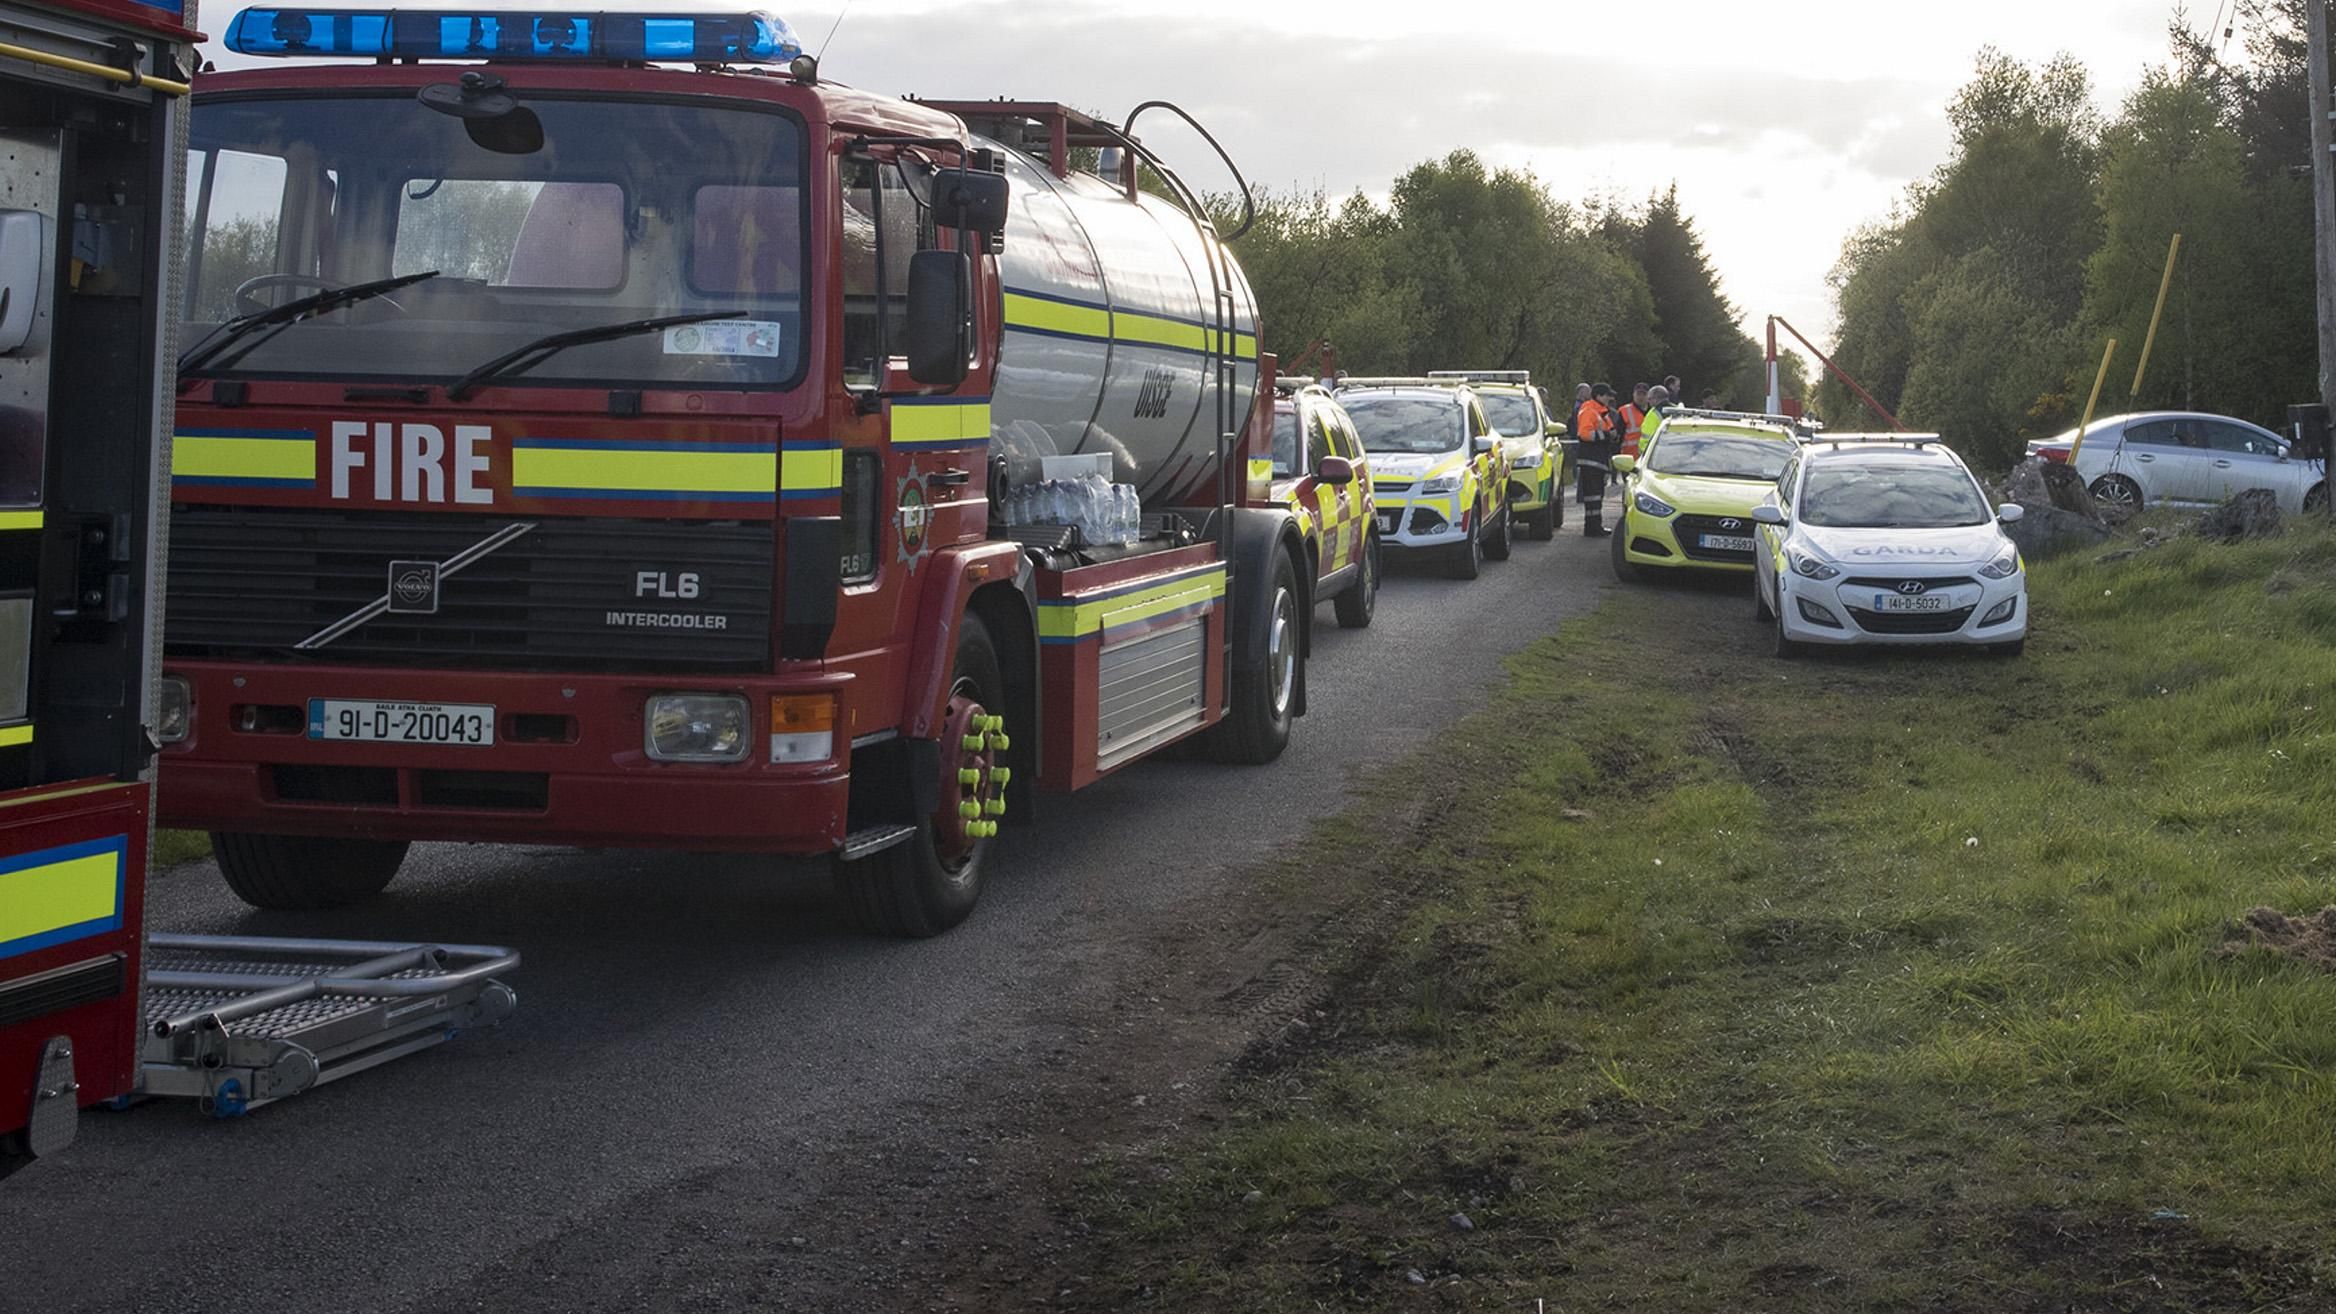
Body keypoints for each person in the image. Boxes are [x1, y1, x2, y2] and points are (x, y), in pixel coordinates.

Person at [1575, 383, 1621, 538]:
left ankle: (1594, 526)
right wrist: (1607, 436)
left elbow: (1611, 430)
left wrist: (1613, 435)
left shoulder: (1601, 412)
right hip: (1591, 460)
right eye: (1607, 395)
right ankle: (1592, 528)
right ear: (1599, 396)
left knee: (1596, 496)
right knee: (1593, 496)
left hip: (1598, 460)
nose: (1610, 398)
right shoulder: (1589, 410)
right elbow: (1584, 434)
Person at [1621, 383, 1651, 459]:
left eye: (1644, 394)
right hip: (1629, 458)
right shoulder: (1624, 411)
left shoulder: (1654, 412)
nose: (1640, 397)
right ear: (1633, 395)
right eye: (1638, 394)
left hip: (1650, 458)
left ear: (1649, 396)